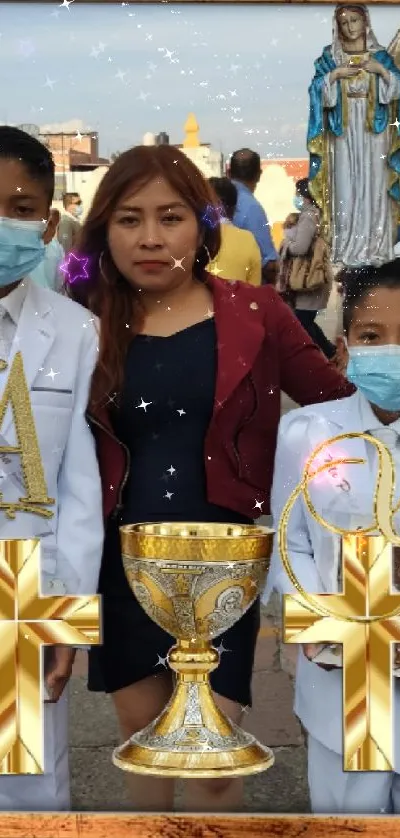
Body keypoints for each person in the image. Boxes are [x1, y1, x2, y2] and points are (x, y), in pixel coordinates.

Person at [67, 143, 354, 814]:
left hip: (225, 569)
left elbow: (341, 409)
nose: (149, 237)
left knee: (213, 767)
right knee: (141, 748)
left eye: (169, 217)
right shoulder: (82, 324)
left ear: (201, 223)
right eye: (129, 219)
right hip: (119, 565)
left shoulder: (257, 315)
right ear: (104, 227)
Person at [263, 259, 400, 813]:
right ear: (345, 345)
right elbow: (288, 542)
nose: (392, 351)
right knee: (351, 810)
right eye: (373, 336)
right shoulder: (308, 432)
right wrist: (313, 620)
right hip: (342, 679)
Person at [0, 126, 103, 810]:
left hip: (24, 587)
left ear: (46, 222)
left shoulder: (71, 330)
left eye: (18, 205)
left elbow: (79, 484)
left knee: (25, 783)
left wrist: (66, 614)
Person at [307, 5, 400, 268]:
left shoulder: (381, 57)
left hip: (375, 133)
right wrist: (334, 75)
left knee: (374, 185)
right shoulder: (329, 58)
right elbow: (316, 91)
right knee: (345, 187)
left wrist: (380, 71)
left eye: (355, 20)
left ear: (365, 22)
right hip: (342, 134)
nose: (350, 27)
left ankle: (375, 247)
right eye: (344, 22)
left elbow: (397, 89)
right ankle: (346, 247)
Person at [280, 178, 336, 361]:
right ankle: (329, 352)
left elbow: (300, 248)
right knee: (305, 320)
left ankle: (328, 354)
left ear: (305, 196)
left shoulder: (308, 216)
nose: (296, 197)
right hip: (315, 273)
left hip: (309, 275)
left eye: (298, 193)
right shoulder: (320, 214)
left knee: (303, 321)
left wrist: (287, 243)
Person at [229, 148, 278, 284]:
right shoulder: (252, 208)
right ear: (258, 175)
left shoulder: (211, 199)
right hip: (244, 293)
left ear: (228, 173)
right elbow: (269, 265)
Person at [207, 177, 261, 285]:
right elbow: (254, 290)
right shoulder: (248, 239)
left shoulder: (192, 238)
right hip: (238, 301)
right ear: (234, 207)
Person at [30, 208, 65, 291]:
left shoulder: (56, 247)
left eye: (52, 224)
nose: (48, 228)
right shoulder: (23, 246)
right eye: (46, 223)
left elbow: (60, 279)